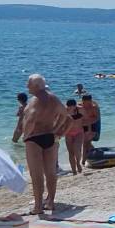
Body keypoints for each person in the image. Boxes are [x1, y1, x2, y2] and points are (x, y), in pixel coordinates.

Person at [21, 74, 69, 214]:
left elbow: (31, 119)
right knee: (51, 172)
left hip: (34, 138)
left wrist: (26, 135)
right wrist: (56, 130)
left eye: (28, 83)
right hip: (50, 136)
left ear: (36, 86)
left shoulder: (34, 100)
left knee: (36, 175)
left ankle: (37, 207)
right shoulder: (53, 98)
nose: (26, 85)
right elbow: (64, 114)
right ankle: (51, 203)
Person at [63, 99, 86, 174]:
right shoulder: (65, 111)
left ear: (75, 106)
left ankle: (78, 163)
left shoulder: (81, 109)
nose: (70, 108)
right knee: (71, 152)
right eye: (68, 107)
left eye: (71, 107)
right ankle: (74, 171)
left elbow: (86, 119)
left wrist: (88, 130)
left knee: (77, 149)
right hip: (68, 133)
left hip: (79, 132)